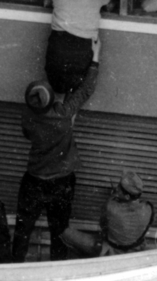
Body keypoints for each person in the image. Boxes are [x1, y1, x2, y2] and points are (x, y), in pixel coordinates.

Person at [12, 52, 99, 263]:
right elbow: (86, 90)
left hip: (34, 181)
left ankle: (14, 265)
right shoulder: (64, 114)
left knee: (23, 228)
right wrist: (95, 59)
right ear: (52, 98)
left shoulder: (28, 117)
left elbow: (26, 134)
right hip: (61, 182)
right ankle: (56, 269)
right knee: (59, 230)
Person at [45, 0, 109, 96]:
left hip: (59, 45)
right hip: (83, 47)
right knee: (75, 81)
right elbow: (110, 2)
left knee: (58, 79)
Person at [100, 171, 154, 251]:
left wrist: (113, 195)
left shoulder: (111, 207)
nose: (117, 189)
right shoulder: (149, 208)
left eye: (119, 188)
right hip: (136, 246)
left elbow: (103, 224)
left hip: (114, 248)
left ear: (127, 197)